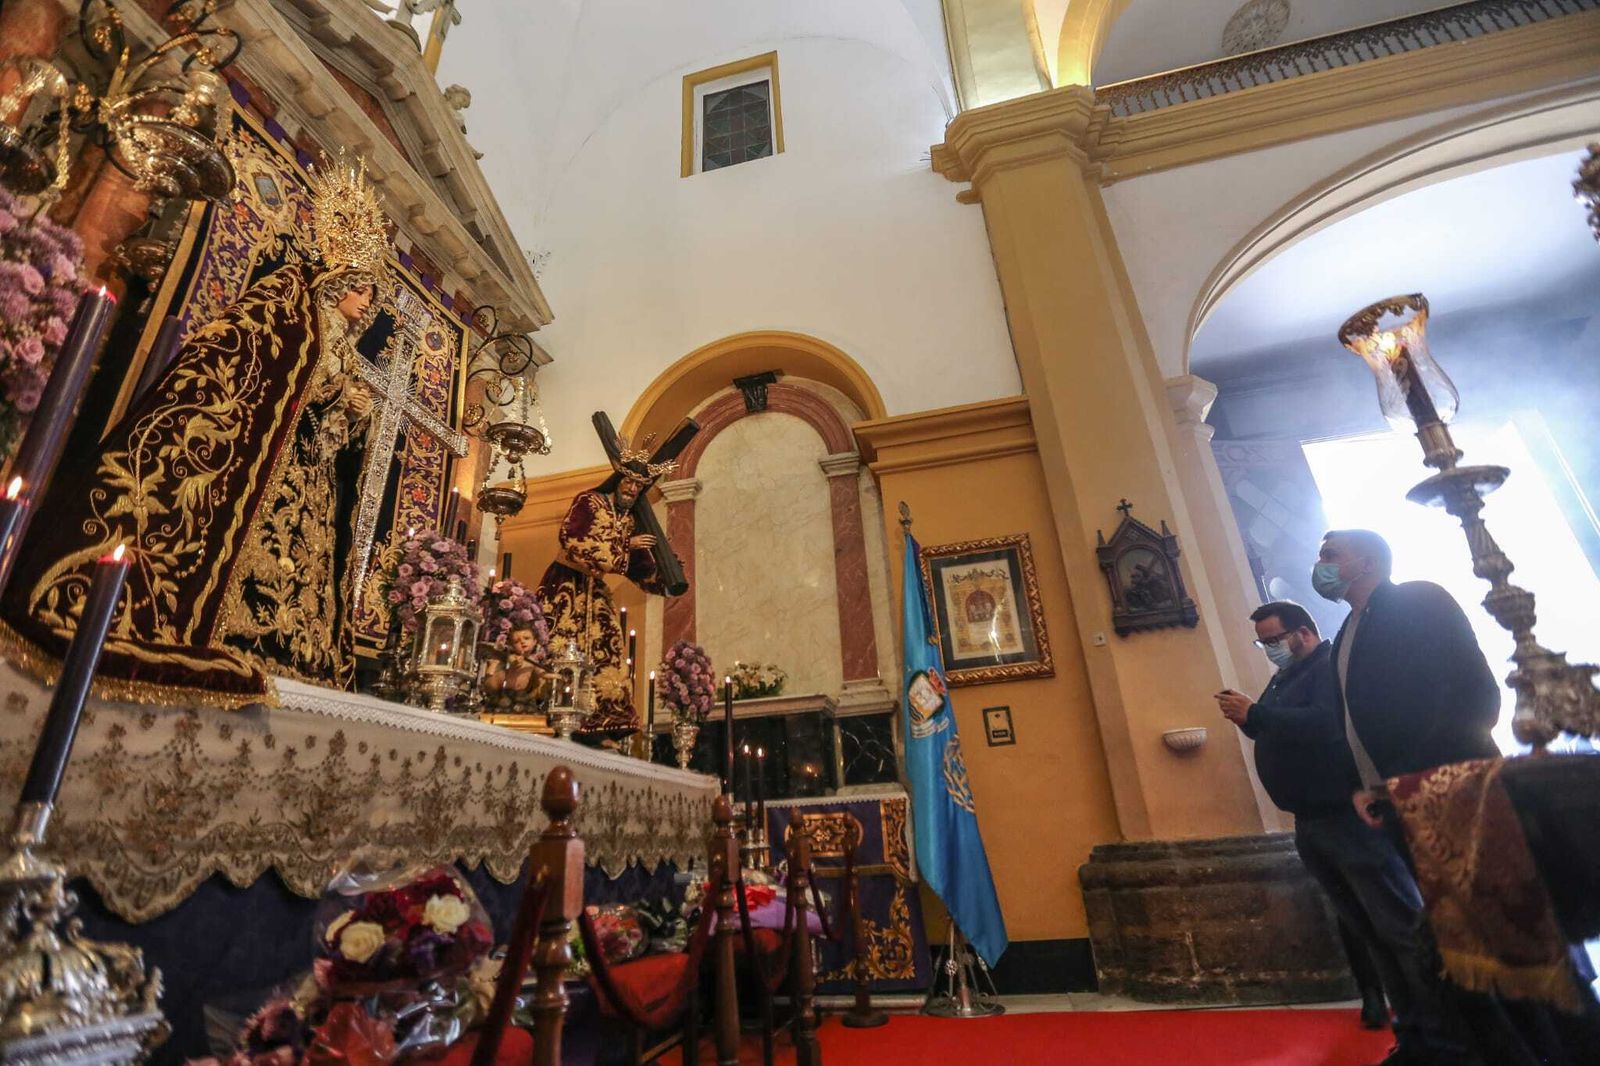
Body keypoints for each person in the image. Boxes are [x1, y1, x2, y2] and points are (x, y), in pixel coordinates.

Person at [0, 159, 387, 698]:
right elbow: (251, 353)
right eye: (361, 287)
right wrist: (323, 384)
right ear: (339, 276)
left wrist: (349, 408)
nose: (366, 300)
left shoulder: (344, 342)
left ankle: (288, 649)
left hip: (301, 474)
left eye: (372, 294)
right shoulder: (289, 300)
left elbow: (323, 423)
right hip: (257, 460)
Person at [1315, 528, 1502, 1064]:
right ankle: (1454, 1042)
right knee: (1445, 932)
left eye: (1331, 555)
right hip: (1397, 801)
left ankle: (1534, 1044)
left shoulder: (1419, 601)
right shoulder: (1349, 629)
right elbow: (1350, 723)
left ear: (1367, 561)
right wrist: (1364, 785)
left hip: (1453, 787)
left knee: (1492, 923)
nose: (1321, 565)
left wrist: (1413, 775)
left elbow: (1471, 694)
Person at [1214, 602, 1391, 1036]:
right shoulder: (1285, 677)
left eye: (1273, 640)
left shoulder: (1327, 668)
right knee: (1347, 910)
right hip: (1308, 815)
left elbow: (1326, 724)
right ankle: (1371, 992)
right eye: (1264, 642)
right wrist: (1248, 718)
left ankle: (1412, 998)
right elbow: (1275, 728)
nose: (1269, 649)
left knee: (1378, 907)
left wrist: (1256, 714)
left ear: (1304, 634)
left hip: (1342, 810)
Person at [535, 445, 673, 738]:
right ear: (617, 478)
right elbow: (573, 539)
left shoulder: (630, 519)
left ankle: (600, 718)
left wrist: (664, 576)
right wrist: (626, 546)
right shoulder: (590, 501)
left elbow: (637, 565)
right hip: (566, 584)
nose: (633, 489)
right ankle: (549, 707)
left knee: (607, 644)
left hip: (595, 589)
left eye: (639, 485)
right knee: (559, 642)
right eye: (629, 481)